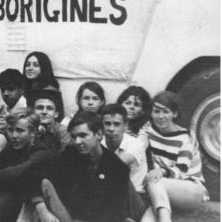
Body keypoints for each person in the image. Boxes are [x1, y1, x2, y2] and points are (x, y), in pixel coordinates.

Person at [32, 112, 144, 222]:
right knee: (44, 185)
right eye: (74, 136)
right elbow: (37, 175)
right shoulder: (69, 155)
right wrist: (42, 209)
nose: (77, 142)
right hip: (66, 215)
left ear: (99, 134)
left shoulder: (117, 168)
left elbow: (113, 213)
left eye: (83, 135)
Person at [145, 91, 209, 219]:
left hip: (191, 189)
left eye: (166, 111)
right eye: (156, 111)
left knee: (154, 182)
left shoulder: (186, 137)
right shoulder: (148, 130)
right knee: (148, 216)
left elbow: (182, 170)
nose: (161, 116)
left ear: (174, 113)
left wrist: (162, 171)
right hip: (162, 189)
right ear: (151, 113)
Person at [28, 89, 70, 155]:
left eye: (49, 108)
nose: (44, 112)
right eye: (40, 108)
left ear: (56, 113)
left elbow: (64, 156)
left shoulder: (63, 132)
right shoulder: (27, 128)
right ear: (33, 111)